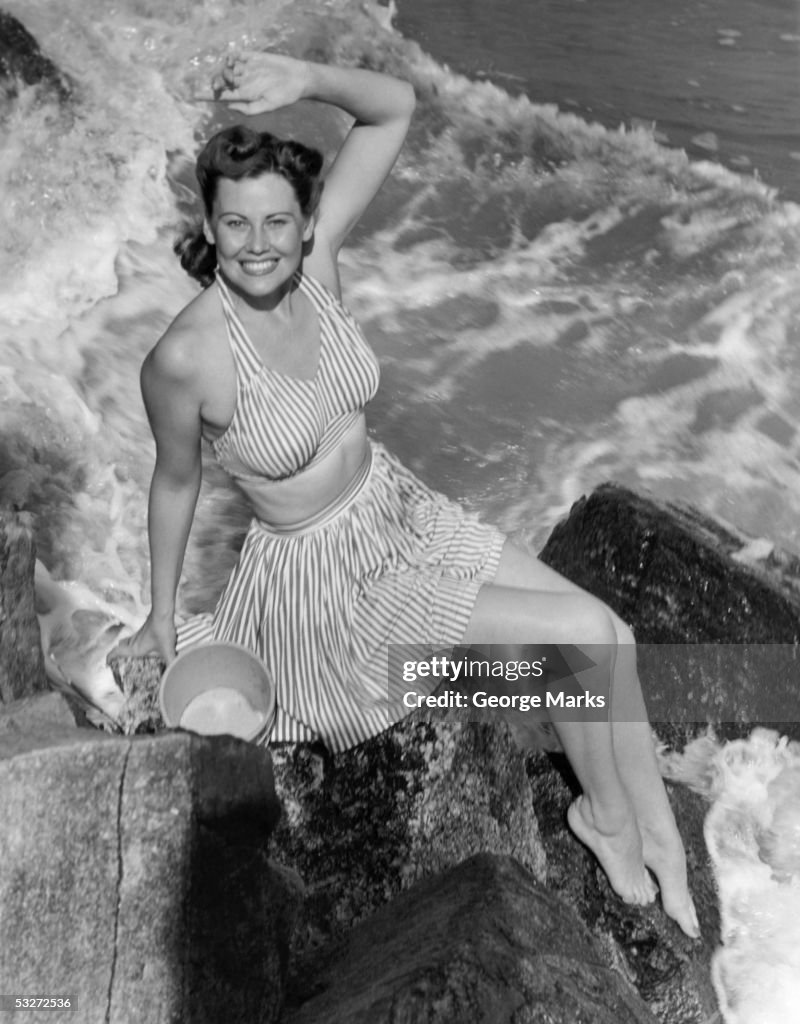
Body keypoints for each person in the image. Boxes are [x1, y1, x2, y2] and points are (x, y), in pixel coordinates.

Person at [115, 51, 699, 938]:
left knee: (610, 631)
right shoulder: (187, 358)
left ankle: (658, 831)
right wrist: (160, 619)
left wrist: (300, 77)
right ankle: (602, 821)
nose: (261, 243)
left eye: (280, 220)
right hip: (333, 590)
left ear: (309, 220)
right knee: (576, 639)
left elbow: (393, 108)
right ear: (209, 222)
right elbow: (176, 481)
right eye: (236, 225)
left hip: (399, 514)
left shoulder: (318, 262)